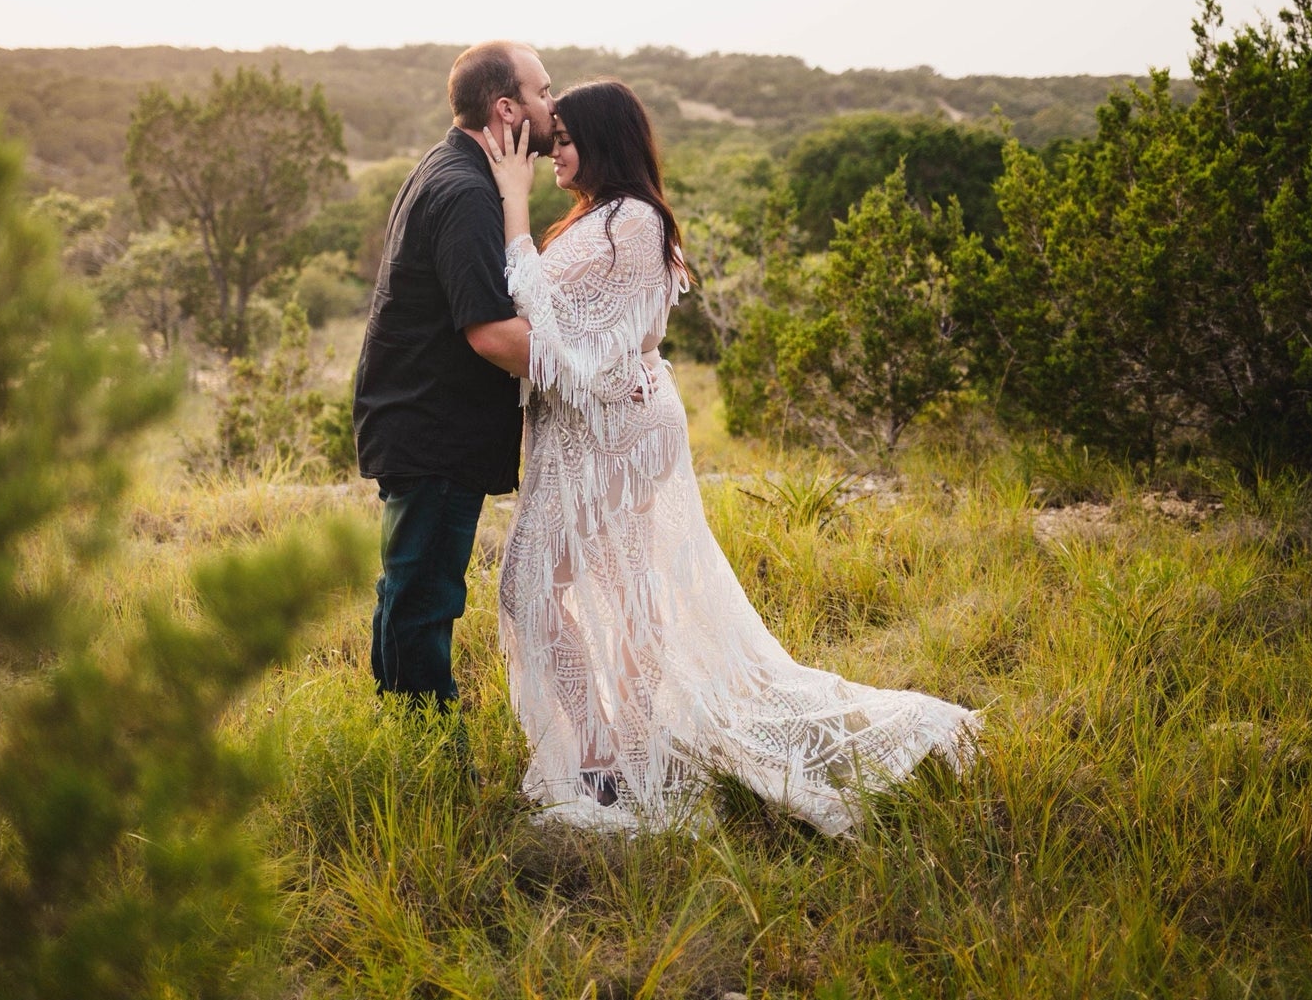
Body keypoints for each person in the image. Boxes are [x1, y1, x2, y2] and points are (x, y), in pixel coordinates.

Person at [479, 80, 980, 834]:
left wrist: (512, 202)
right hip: (614, 424)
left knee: (548, 587)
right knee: (602, 584)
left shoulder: (632, 223)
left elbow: (543, 320)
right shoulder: (606, 217)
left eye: (565, 141)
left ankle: (609, 755)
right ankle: (615, 748)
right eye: (551, 143)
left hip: (619, 430)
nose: (553, 154)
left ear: (606, 143)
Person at [350, 41, 554, 711]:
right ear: (506, 107)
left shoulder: (447, 166)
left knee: (407, 587)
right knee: (425, 595)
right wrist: (596, 371)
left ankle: (401, 733)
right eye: (543, 91)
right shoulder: (466, 192)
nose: (553, 105)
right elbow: (489, 331)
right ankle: (426, 749)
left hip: (416, 418)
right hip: (433, 429)